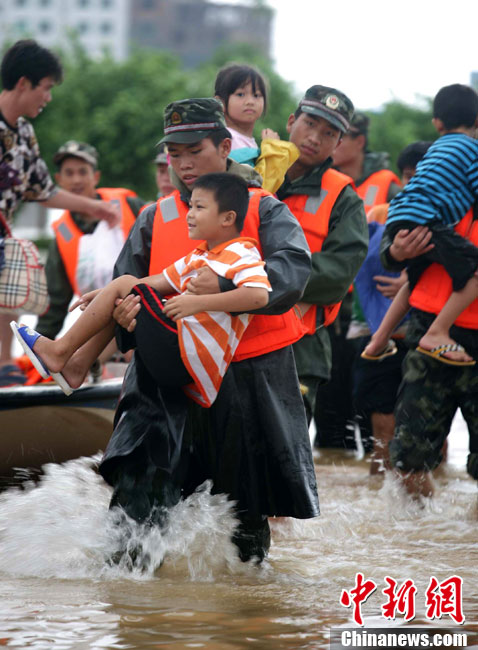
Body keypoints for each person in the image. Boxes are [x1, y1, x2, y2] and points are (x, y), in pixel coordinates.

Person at [96, 98, 318, 567]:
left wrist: (225, 285)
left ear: (224, 147)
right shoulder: (153, 217)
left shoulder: (264, 209)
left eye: (195, 150)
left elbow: (294, 271)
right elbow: (125, 287)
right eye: (174, 154)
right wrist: (126, 317)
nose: (184, 163)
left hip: (246, 379)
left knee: (244, 517)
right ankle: (128, 598)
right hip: (164, 376)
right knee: (136, 504)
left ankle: (244, 605)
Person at [11, 173, 271, 406]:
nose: (189, 214)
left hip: (189, 354)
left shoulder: (242, 252)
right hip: (182, 350)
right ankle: (76, 365)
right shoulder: (200, 256)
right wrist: (105, 295)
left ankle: (60, 352)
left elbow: (259, 296)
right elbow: (155, 282)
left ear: (228, 218)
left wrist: (195, 303)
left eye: (199, 208)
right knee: (124, 292)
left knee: (125, 285)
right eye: (190, 206)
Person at [0, 39, 118, 382]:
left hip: (3, 237)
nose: (48, 98)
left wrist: (95, 207)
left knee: (11, 287)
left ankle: (5, 367)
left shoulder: (23, 132)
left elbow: (42, 190)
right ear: (24, 84)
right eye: (47, 88)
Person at [363, 84, 478, 367]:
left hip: (401, 215)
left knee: (416, 274)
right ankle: (438, 332)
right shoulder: (472, 151)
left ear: (437, 123)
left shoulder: (436, 148)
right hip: (426, 223)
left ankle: (378, 339)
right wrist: (396, 252)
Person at [275, 85, 368, 424]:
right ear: (291, 121)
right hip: (230, 337)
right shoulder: (251, 173)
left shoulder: (344, 198)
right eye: (310, 124)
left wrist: (260, 279)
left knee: (285, 448)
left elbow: (339, 272)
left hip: (299, 346)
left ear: (338, 143)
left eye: (329, 133)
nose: (315, 137)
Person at [313, 110, 401, 449]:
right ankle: (334, 472)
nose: (332, 143)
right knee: (330, 415)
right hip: (330, 309)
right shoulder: (320, 182)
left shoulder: (388, 185)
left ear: (359, 141)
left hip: (372, 313)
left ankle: (373, 476)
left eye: (339, 136)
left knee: (371, 408)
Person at [379, 202, 478, 498]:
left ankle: (466, 525)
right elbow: (390, 250)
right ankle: (429, 524)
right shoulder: (443, 194)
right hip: (427, 338)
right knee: (407, 459)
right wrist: (396, 251)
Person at [352, 141, 432, 474]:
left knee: (428, 419)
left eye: (423, 175)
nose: (415, 182)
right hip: (382, 331)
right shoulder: (381, 214)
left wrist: (411, 281)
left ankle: (429, 479)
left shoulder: (452, 214)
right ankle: (379, 484)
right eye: (409, 175)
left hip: (429, 333)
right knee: (380, 410)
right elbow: (363, 262)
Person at [214, 63, 299, 193]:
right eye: (240, 94)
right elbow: (258, 188)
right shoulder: (226, 139)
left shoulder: (247, 141)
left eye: (257, 95)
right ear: (220, 102)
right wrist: (274, 148)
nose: (250, 101)